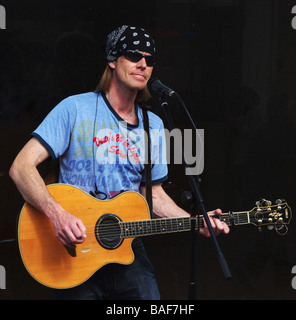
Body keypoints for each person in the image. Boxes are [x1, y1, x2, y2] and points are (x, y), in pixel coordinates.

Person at [9, 25, 229, 300]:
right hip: (73, 247)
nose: (143, 64)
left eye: (150, 59)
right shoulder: (75, 109)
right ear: (112, 60)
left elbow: (154, 197)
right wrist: (57, 214)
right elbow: (21, 167)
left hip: (126, 248)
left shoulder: (153, 125)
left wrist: (196, 222)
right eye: (133, 55)